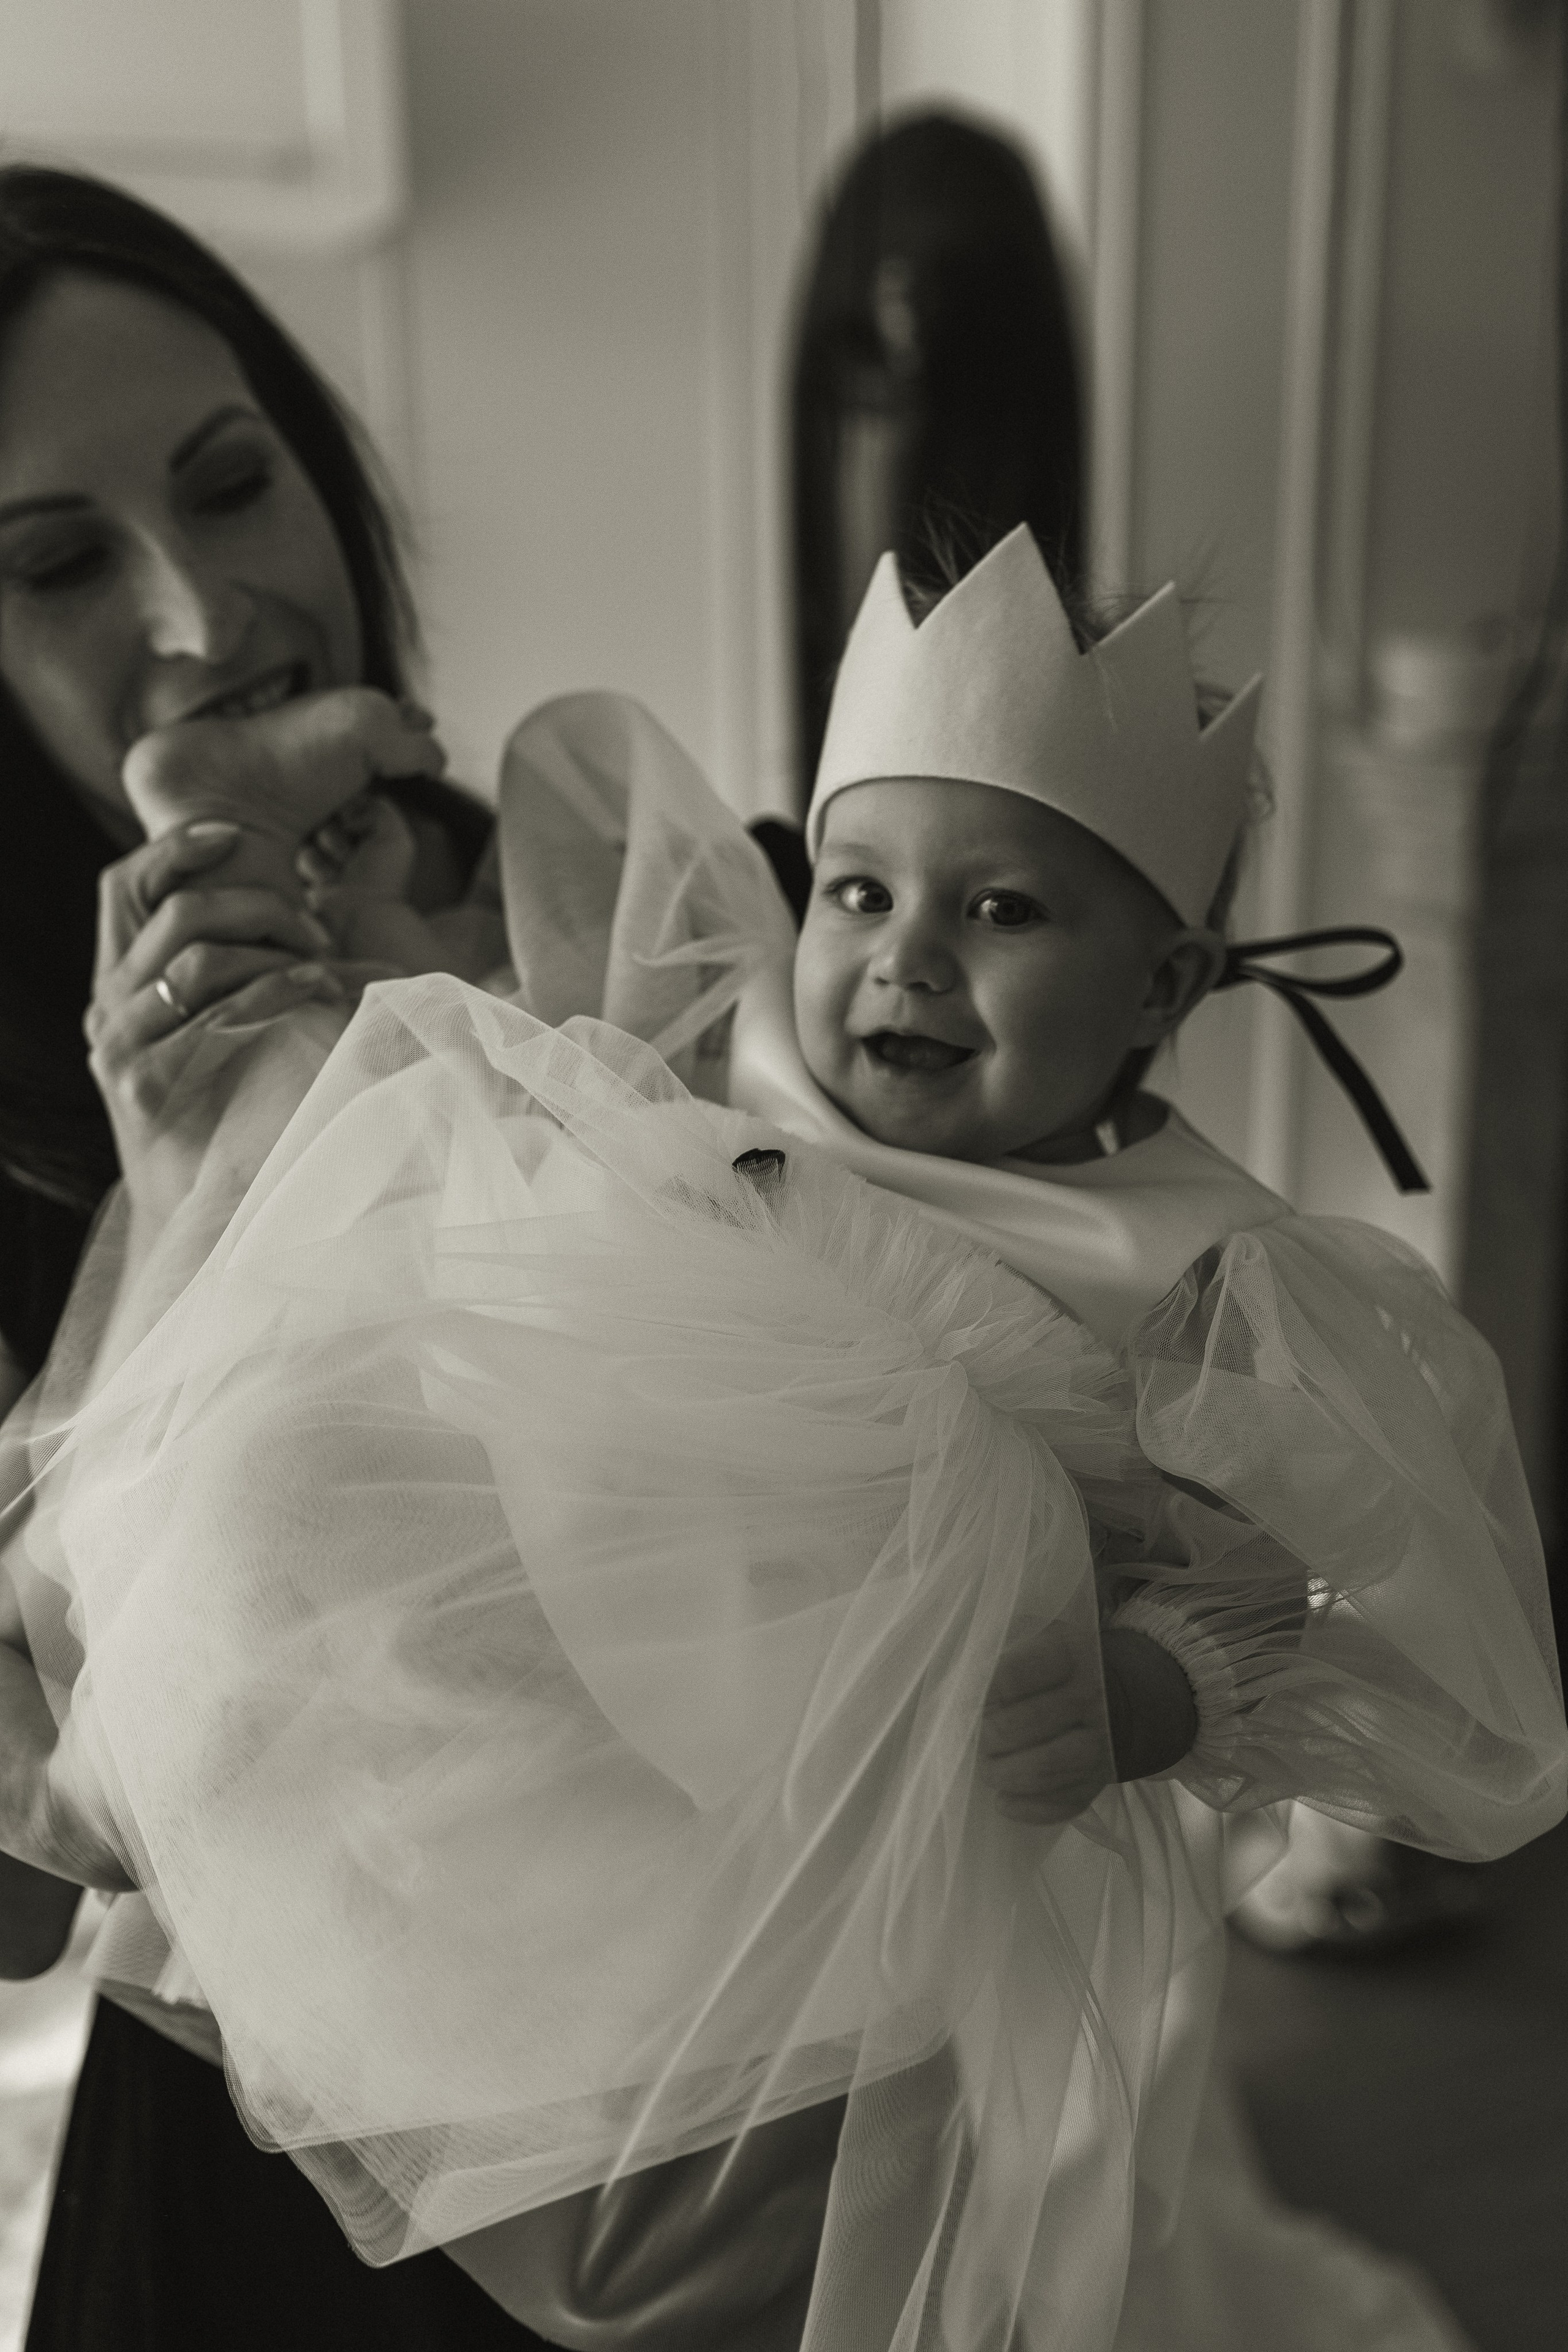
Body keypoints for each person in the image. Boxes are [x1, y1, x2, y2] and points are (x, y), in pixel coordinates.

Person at [15, 527, 1562, 2350]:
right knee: (323, 1368)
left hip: (800, 1806)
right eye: (855, 892)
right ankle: (108, 1754)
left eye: (1001, 913)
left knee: (715, 2189)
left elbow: (1295, 1589)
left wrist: (1154, 1690)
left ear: (1164, 988)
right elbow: (478, 1008)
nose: (903, 961)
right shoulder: (720, 1049)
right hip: (554, 1571)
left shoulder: (1198, 1271)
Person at [0, 160, 556, 2350]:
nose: (211, 616)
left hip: (736, 2065)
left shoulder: (554, 880)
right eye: (57, 568)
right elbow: (21, 1893)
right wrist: (183, 1193)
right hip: (288, 2189)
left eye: (238, 485)